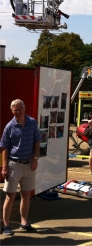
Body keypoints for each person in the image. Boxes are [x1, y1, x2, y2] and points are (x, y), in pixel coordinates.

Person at [0, 99, 41, 236]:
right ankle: (6, 226)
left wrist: (35, 159)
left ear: (24, 109)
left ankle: (24, 222)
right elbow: (4, 147)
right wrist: (4, 167)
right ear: (12, 111)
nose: (17, 112)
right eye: (14, 110)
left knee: (26, 195)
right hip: (13, 165)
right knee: (10, 196)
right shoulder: (9, 126)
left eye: (19, 109)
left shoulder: (32, 123)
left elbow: (37, 141)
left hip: (29, 164)